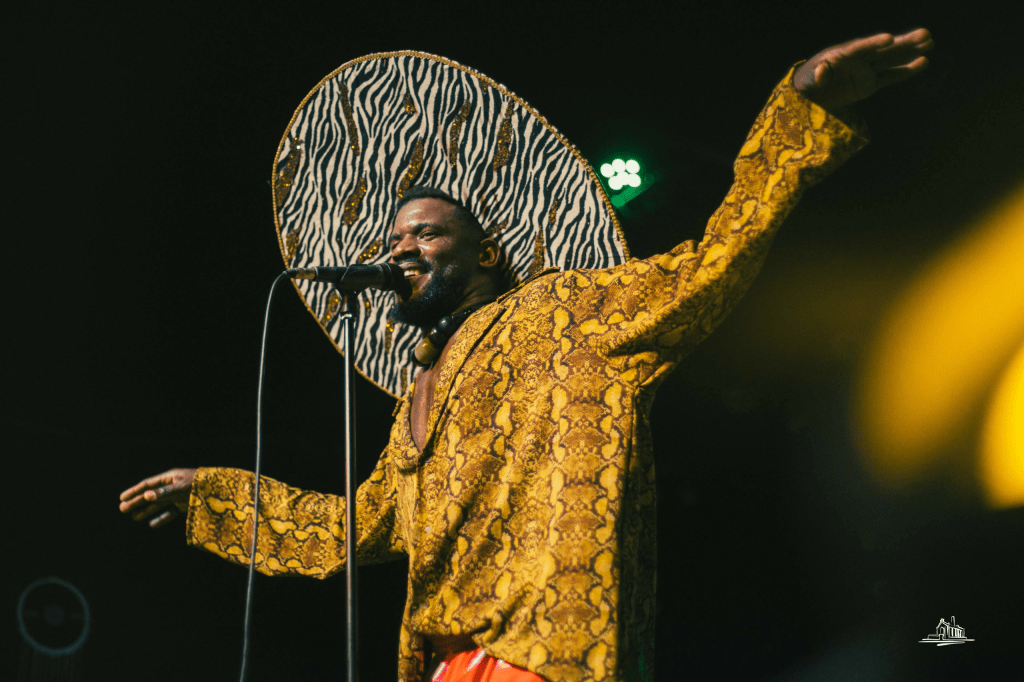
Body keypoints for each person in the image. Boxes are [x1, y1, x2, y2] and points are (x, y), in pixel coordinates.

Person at [120, 30, 933, 682]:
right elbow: (354, 528)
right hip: (443, 662)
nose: (401, 249)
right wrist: (213, 498)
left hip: (545, 651)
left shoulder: (563, 310)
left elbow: (711, 265)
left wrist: (797, 111)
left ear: (487, 255)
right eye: (393, 238)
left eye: (426, 233)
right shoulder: (416, 397)